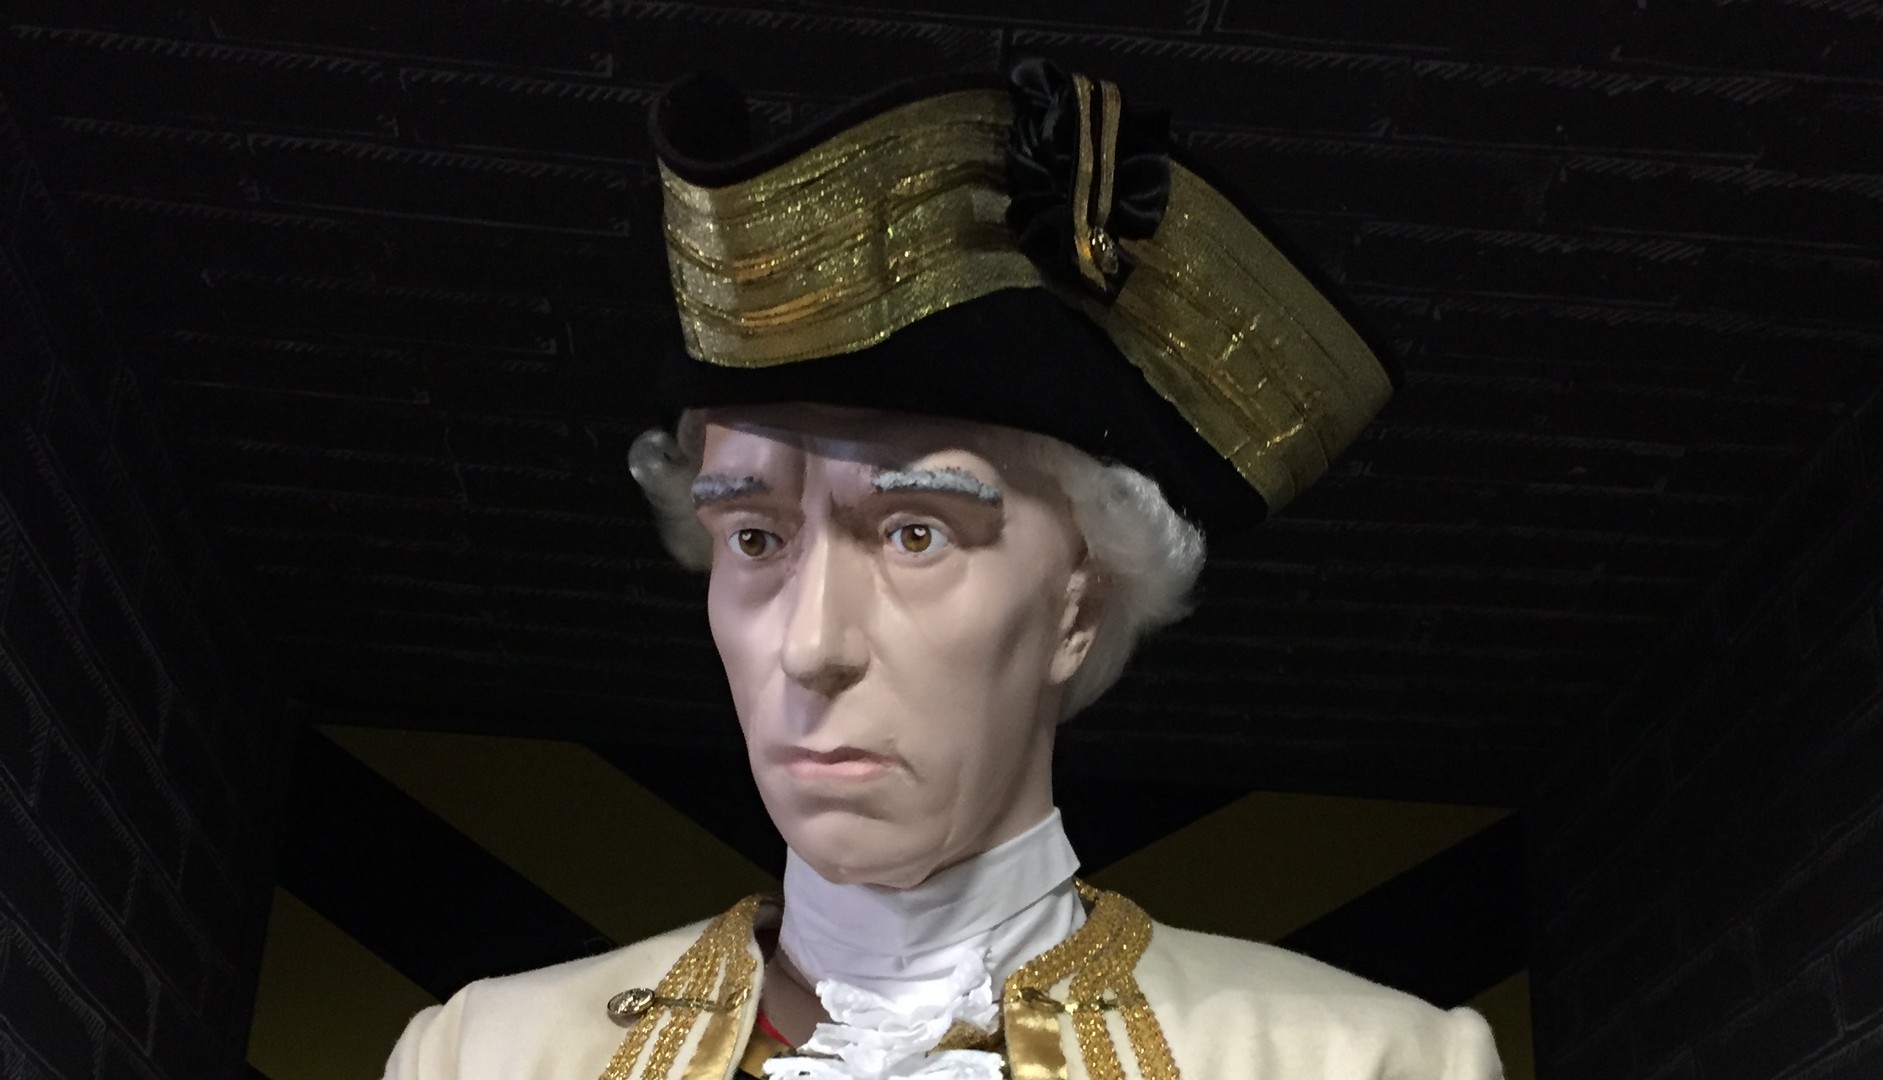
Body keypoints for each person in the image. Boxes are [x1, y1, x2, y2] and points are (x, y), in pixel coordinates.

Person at [383, 59, 1503, 1080]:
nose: (812, 645)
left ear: (1078, 603)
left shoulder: (1366, 1064)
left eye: (914, 533)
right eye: (756, 538)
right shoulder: (484, 1057)